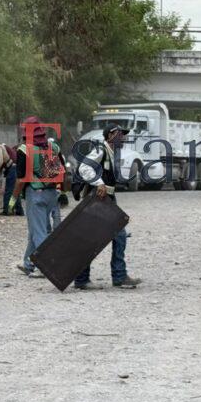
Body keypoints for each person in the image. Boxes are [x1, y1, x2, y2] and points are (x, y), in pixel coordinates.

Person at [72, 124, 142, 290]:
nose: (123, 138)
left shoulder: (112, 152)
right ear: (111, 135)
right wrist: (99, 183)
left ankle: (86, 279)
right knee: (115, 235)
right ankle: (117, 276)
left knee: (109, 236)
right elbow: (84, 167)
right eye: (120, 134)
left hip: (107, 199)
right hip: (99, 200)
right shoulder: (100, 150)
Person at [10, 118, 63, 276]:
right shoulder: (53, 146)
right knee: (36, 230)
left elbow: (21, 179)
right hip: (52, 193)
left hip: (35, 194)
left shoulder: (24, 150)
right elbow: (61, 170)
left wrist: (13, 199)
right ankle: (29, 263)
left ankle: (43, 266)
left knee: (39, 232)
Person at [0, 140, 21, 216]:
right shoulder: (3, 149)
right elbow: (1, 167)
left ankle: (6, 210)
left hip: (12, 169)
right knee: (15, 191)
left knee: (8, 191)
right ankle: (19, 211)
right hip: (15, 168)